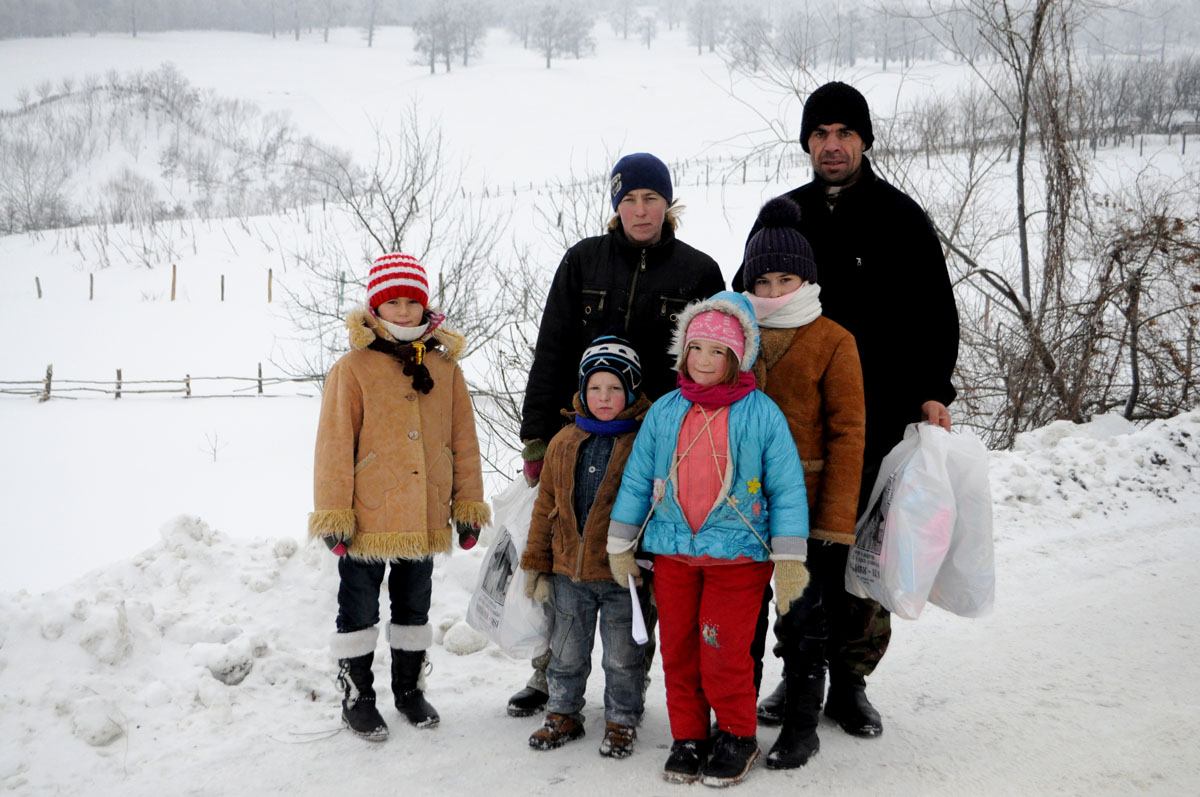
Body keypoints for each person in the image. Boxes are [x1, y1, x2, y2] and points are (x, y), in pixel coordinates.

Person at [733, 81, 960, 738]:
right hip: (789, 425)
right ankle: (797, 671)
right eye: (820, 135)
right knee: (795, 553)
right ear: (807, 142)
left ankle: (851, 681)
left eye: (844, 134)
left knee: (862, 556)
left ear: (863, 140)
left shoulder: (901, 217)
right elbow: (741, 302)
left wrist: (934, 390)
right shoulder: (784, 216)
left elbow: (936, 314)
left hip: (880, 420)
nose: (832, 146)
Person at [508, 152, 725, 718]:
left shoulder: (699, 272)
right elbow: (551, 349)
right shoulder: (583, 261)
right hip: (576, 438)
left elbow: (712, 359)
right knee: (567, 561)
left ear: (668, 203)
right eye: (628, 199)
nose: (640, 209)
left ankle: (630, 684)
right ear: (615, 206)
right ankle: (549, 673)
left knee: (641, 568)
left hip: (657, 446)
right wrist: (537, 439)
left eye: (651, 198)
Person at [607, 291, 810, 787]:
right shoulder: (664, 412)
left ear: (736, 358)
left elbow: (786, 486)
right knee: (678, 649)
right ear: (683, 351)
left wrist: (788, 559)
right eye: (696, 348)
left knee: (721, 651)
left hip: (738, 558)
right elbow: (636, 480)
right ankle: (689, 736)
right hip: (674, 554)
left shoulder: (762, 414)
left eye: (717, 352)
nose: (703, 361)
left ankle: (738, 734)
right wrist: (620, 543)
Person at [309, 252, 490, 741]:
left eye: (414, 301)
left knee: (415, 608)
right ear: (375, 308)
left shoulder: (446, 368)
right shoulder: (352, 369)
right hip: (368, 517)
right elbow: (333, 445)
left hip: (426, 512)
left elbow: (464, 441)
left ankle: (408, 691)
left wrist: (468, 505)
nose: (406, 311)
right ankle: (357, 697)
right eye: (394, 302)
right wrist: (333, 516)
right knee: (359, 609)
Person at [738, 197, 866, 769]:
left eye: (785, 278)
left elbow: (848, 433)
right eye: (761, 280)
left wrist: (835, 519)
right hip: (735, 511)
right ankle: (737, 720)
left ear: (807, 278)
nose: (772, 290)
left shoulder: (833, 339)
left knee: (804, 622)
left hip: (805, 511)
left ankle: (802, 727)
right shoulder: (731, 334)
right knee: (742, 620)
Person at [519, 335, 651, 759]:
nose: (604, 397)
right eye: (595, 387)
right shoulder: (564, 440)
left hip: (620, 577)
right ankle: (563, 712)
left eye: (615, 388)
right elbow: (545, 507)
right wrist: (537, 563)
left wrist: (649, 563)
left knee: (623, 658)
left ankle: (621, 720)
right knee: (566, 653)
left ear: (630, 391)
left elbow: (656, 509)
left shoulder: (643, 442)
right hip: (568, 575)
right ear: (582, 390)